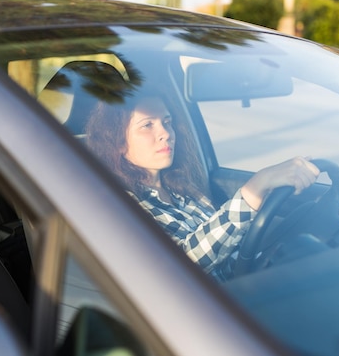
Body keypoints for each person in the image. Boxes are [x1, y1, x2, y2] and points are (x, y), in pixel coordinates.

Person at [85, 93, 322, 281]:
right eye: (147, 125)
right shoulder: (121, 208)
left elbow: (234, 247)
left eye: (167, 122)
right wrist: (254, 189)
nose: (165, 134)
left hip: (251, 292)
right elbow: (180, 267)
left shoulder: (182, 190)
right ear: (117, 144)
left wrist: (305, 218)